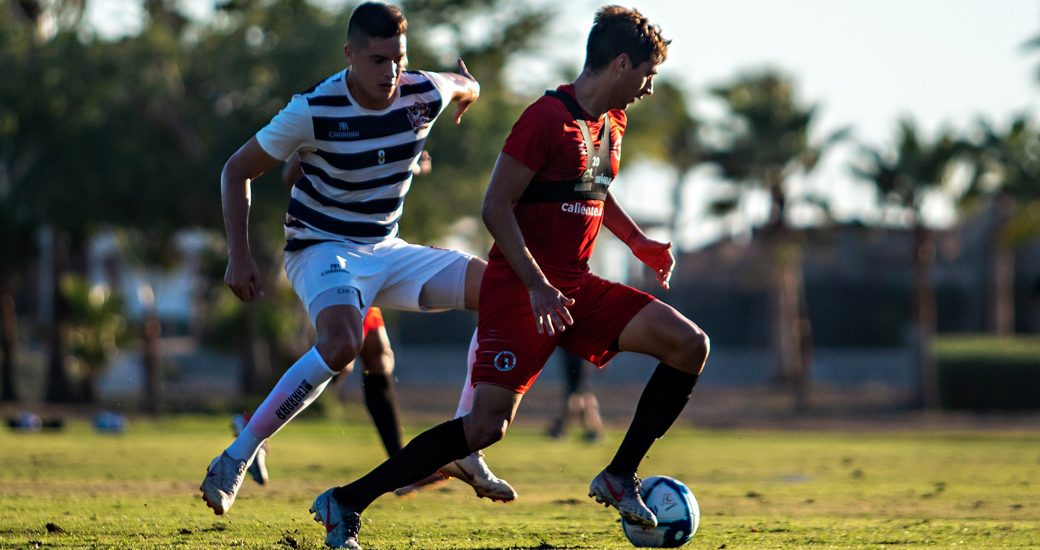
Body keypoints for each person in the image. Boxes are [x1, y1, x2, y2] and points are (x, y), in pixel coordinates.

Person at [309, 7, 710, 549]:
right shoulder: (546, 118)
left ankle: (619, 476)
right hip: (521, 290)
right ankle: (346, 501)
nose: (648, 86)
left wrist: (636, 241)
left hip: (575, 287)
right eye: (647, 73)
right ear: (620, 63)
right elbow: (495, 208)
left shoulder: (611, 122)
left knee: (688, 345)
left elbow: (592, 187)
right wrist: (537, 284)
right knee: (483, 429)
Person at [199, 1, 516, 516]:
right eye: (376, 60)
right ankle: (237, 455)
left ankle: (466, 449)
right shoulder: (313, 108)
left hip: (386, 247)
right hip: (321, 247)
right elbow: (236, 171)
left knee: (503, 292)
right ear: (349, 55)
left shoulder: (422, 92)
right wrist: (238, 254)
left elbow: (464, 84)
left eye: (399, 58)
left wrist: (469, 91)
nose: (390, 71)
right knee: (345, 343)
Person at [545, 351, 603, 441]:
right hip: (574, 354)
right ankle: (592, 429)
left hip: (579, 355)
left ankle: (562, 427)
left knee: (578, 393)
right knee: (580, 392)